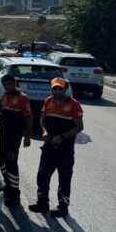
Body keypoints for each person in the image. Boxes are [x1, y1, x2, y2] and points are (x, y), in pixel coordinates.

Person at [28, 78, 84, 218]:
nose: (57, 91)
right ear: (51, 89)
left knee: (64, 180)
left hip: (65, 150)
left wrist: (63, 137)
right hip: (48, 148)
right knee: (42, 176)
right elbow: (42, 120)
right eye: (55, 89)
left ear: (65, 89)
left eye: (60, 89)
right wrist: (44, 131)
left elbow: (79, 126)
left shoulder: (74, 105)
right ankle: (42, 203)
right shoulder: (48, 101)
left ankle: (63, 207)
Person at [0, 74, 32, 205]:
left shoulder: (23, 98)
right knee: (3, 162)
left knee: (11, 164)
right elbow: (5, 113)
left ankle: (14, 194)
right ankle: (7, 186)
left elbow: (29, 118)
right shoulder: (5, 96)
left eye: (10, 84)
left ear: (15, 83)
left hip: (14, 136)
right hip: (3, 134)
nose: (8, 87)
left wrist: (27, 137)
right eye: (5, 85)